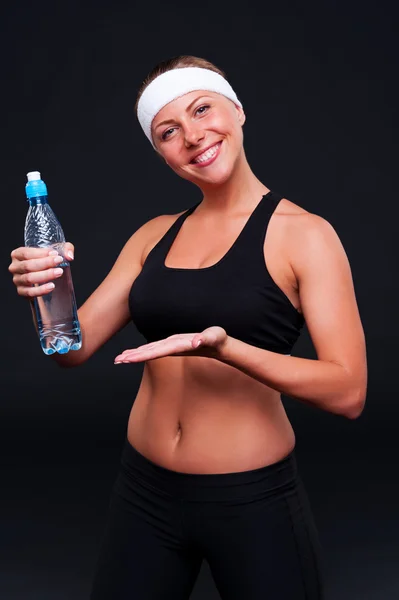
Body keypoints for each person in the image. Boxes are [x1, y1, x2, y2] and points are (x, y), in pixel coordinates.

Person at [8, 55, 367, 599]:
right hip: (144, 494)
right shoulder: (153, 234)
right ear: (161, 153)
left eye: (203, 110)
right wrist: (45, 290)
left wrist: (225, 349)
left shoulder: (306, 235)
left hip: (252, 499)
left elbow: (349, 393)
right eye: (168, 132)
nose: (193, 136)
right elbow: (71, 351)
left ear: (238, 112)